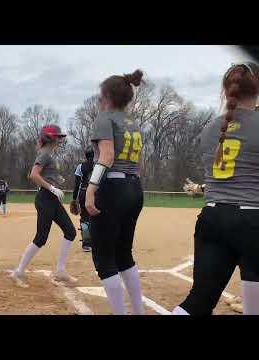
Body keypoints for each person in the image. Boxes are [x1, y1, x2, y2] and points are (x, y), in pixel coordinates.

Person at [173, 63, 259, 315]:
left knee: (199, 300)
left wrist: (201, 188)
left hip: (212, 217)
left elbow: (227, 176)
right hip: (252, 220)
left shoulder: (210, 128)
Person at [85, 70, 145, 315]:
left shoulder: (105, 118)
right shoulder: (133, 122)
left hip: (112, 187)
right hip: (134, 187)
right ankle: (138, 311)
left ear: (107, 96)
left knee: (104, 260)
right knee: (124, 255)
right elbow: (137, 163)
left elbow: (107, 156)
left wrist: (91, 188)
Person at [11, 125, 77, 288]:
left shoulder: (48, 155)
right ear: (50, 138)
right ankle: (18, 272)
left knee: (70, 231)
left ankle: (61, 270)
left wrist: (55, 179)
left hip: (52, 200)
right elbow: (33, 175)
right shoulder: (45, 154)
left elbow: (39, 173)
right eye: (58, 137)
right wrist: (51, 187)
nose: (60, 139)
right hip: (45, 199)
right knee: (41, 238)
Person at [70, 146, 95, 252]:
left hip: (83, 193)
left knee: (85, 218)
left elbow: (76, 185)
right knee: (97, 218)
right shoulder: (100, 165)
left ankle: (86, 244)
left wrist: (74, 199)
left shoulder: (80, 166)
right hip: (96, 193)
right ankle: (97, 242)